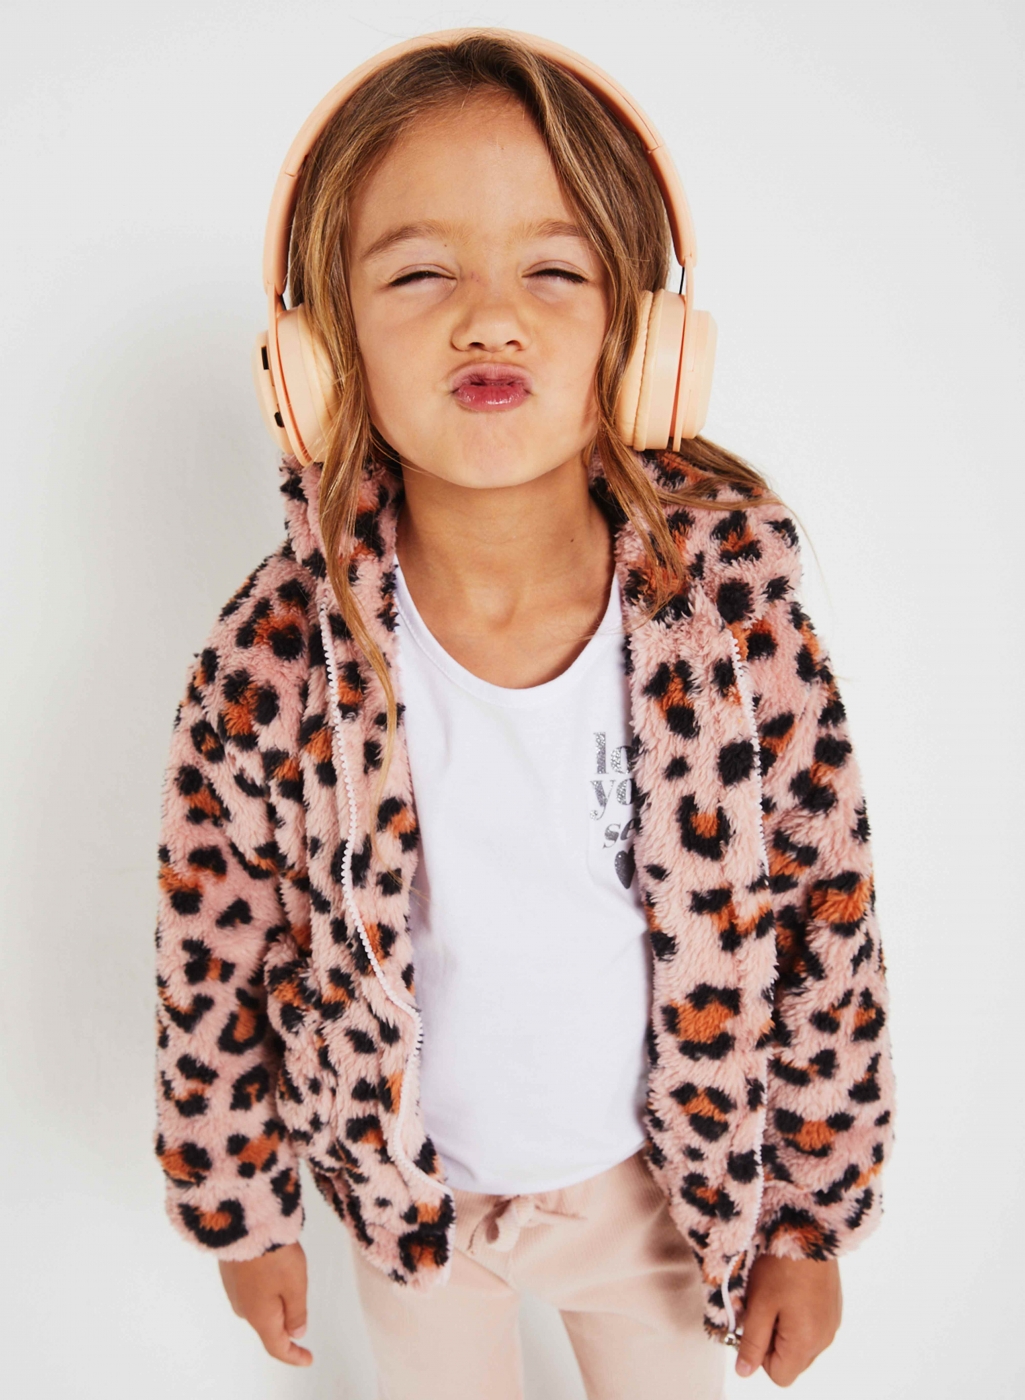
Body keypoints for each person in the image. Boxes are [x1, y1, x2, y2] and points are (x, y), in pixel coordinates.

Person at [152, 29, 894, 1400]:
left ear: (646, 341)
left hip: (656, 1202)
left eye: (553, 272)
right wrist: (243, 1210)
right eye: (419, 274)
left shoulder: (734, 632)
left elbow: (824, 920)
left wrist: (806, 1220)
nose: (489, 319)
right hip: (410, 1208)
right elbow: (213, 942)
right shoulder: (277, 656)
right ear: (317, 357)